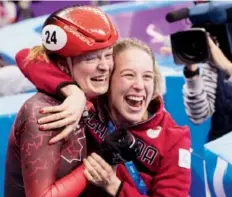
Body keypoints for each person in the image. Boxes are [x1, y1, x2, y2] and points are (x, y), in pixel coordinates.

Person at [17, 37, 192, 196]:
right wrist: (73, 92)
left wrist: (115, 186)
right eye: (128, 75)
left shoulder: (174, 138)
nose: (139, 85)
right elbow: (27, 57)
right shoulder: (93, 102)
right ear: (108, 79)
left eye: (147, 77)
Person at [4, 5, 118, 197]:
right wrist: (101, 161)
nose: (105, 67)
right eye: (91, 59)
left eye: (108, 55)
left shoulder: (98, 92)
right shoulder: (43, 114)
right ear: (64, 65)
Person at [183, 35, 232, 141]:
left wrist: (228, 67)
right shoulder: (218, 52)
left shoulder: (221, 59)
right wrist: (192, 73)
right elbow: (199, 116)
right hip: (219, 147)